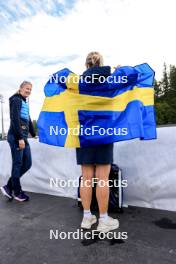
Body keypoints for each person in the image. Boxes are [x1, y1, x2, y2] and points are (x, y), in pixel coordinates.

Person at [76, 52, 119, 233]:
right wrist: (119, 71)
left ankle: (87, 218)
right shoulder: (110, 80)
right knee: (102, 179)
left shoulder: (78, 83)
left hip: (84, 133)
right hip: (104, 132)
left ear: (86, 65)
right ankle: (103, 220)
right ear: (101, 63)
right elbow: (133, 78)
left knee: (86, 179)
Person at [0, 81, 36, 202]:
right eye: (27, 88)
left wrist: (34, 134)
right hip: (16, 137)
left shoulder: (24, 102)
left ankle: (8, 187)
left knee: (28, 163)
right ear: (20, 89)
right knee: (18, 164)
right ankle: (17, 191)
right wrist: (20, 138)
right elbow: (15, 119)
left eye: (30, 89)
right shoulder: (16, 100)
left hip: (23, 137)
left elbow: (28, 120)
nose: (29, 91)